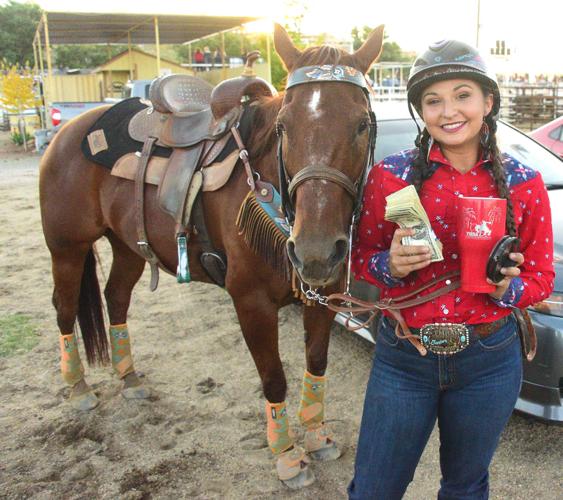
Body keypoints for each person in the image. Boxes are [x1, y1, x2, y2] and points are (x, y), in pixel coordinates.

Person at [348, 40, 554, 499]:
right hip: (404, 358)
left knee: (465, 487)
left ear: (489, 101)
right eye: (433, 100)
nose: (449, 111)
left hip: (490, 361)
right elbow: (360, 259)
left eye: (463, 95)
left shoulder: (524, 182)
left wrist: (507, 289)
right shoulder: (390, 177)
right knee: (374, 490)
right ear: (421, 110)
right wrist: (390, 264)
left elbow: (541, 277)